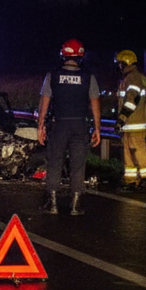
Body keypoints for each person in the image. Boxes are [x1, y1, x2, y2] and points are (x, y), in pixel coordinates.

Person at [37, 39, 102, 215]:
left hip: (59, 125)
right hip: (80, 124)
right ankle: (75, 205)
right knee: (78, 164)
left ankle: (52, 204)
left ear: (63, 55)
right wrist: (97, 128)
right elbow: (95, 103)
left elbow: (45, 101)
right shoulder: (89, 77)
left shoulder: (53, 75)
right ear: (81, 56)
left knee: (55, 162)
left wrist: (41, 125)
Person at [114, 49, 146, 190]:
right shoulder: (131, 77)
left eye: (120, 64)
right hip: (131, 124)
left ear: (126, 63)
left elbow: (132, 99)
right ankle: (131, 181)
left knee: (138, 151)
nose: (119, 67)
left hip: (134, 123)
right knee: (129, 153)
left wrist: (122, 118)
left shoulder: (133, 77)